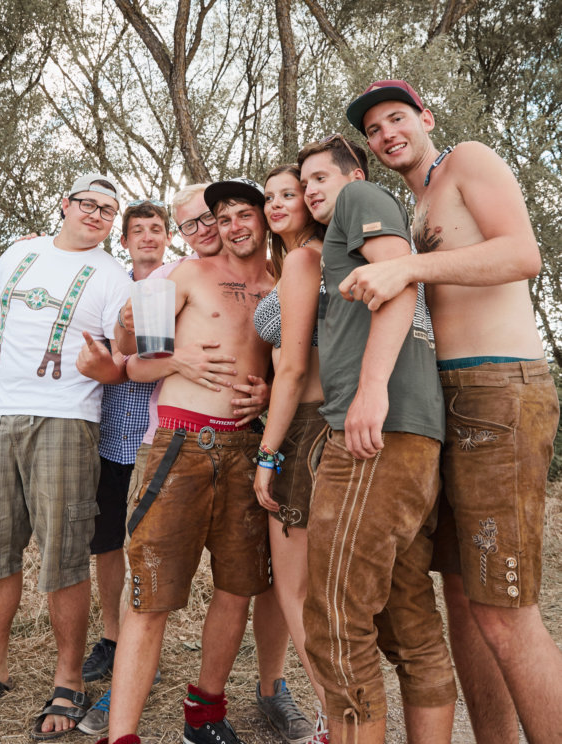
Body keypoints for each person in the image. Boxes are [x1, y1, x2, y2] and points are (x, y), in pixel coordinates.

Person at [342, 79, 562, 744]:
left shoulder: (466, 160)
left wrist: (409, 272)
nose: (385, 135)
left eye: (395, 118)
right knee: (465, 602)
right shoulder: (406, 212)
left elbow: (522, 253)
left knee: (505, 609)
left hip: (499, 388)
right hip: (447, 402)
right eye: (374, 129)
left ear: (425, 118)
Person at [0, 174, 132, 740]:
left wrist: (108, 369)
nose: (97, 215)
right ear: (66, 205)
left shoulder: (112, 277)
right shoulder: (19, 254)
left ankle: (68, 678)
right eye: (89, 204)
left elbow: (125, 359)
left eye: (108, 210)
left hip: (68, 419)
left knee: (63, 549)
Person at [104, 178, 278, 744]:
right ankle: (123, 734)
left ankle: (204, 713)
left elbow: (297, 369)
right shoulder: (186, 275)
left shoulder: (281, 284)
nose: (226, 227)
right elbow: (131, 358)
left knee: (236, 589)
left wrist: (272, 396)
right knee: (151, 593)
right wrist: (174, 359)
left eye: (237, 214)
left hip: (248, 446)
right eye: (217, 218)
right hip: (180, 445)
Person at [299, 135, 457, 744]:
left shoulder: (360, 196)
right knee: (408, 624)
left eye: (320, 177)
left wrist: (370, 390)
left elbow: (400, 282)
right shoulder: (336, 240)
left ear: (353, 172)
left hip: (376, 436)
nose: (313, 189)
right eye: (302, 181)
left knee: (336, 621)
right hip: (409, 440)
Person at [81, 201, 173, 688]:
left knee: (149, 548)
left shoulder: (181, 284)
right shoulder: (112, 287)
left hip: (160, 439)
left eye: (156, 229)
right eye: (138, 230)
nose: (147, 237)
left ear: (167, 236)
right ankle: (113, 639)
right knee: (108, 543)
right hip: (112, 435)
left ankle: (144, 646)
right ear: (125, 241)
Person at [252, 164, 329, 737]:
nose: (278, 203)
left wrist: (269, 452)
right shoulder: (292, 262)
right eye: (270, 197)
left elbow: (297, 368)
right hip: (298, 420)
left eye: (290, 193)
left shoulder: (313, 256)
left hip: (304, 430)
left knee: (295, 587)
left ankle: (334, 711)